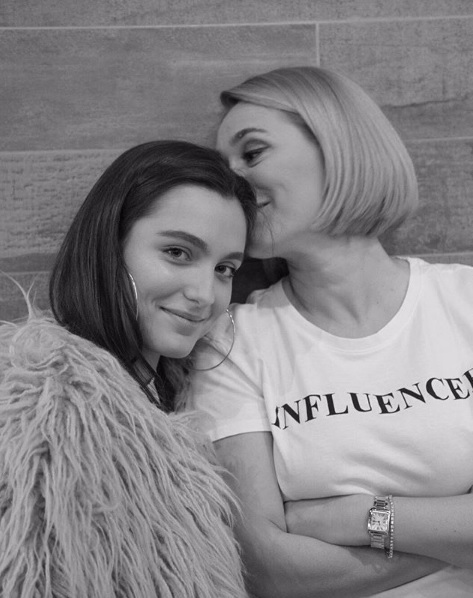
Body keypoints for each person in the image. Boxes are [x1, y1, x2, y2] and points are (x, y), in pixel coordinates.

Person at [187, 67, 473, 597]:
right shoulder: (231, 344)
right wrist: (453, 534)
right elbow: (270, 570)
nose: (232, 185)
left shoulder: (465, 302)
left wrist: (360, 518)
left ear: (338, 145)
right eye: (223, 171)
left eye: (252, 153)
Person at [0, 140, 256, 597]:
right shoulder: (48, 406)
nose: (205, 293)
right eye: (177, 252)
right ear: (109, 246)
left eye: (224, 268)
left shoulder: (181, 399)